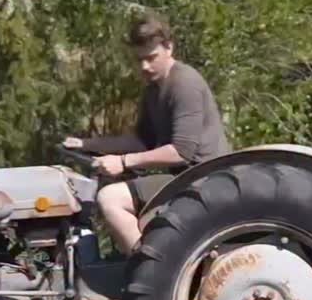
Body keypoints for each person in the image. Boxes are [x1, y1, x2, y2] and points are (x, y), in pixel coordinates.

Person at [64, 14, 229, 256]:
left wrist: (123, 162)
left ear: (169, 48)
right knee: (113, 189)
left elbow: (181, 152)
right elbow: (141, 141)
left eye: (151, 58)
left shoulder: (184, 83)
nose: (144, 67)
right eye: (139, 59)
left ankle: (150, 271)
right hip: (184, 179)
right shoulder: (154, 89)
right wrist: (85, 144)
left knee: (110, 198)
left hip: (201, 181)